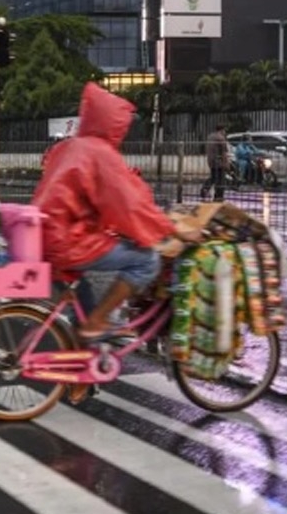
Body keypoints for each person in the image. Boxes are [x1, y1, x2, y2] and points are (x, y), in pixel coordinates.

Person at [33, 84, 202, 402]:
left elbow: (90, 195)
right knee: (145, 261)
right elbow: (128, 205)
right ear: (113, 123)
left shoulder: (72, 146)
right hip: (67, 241)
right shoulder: (100, 152)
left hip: (43, 236)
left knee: (82, 310)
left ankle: (81, 375)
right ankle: (99, 323)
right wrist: (174, 231)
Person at [201, 124, 229, 200]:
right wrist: (226, 164)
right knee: (221, 179)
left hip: (211, 161)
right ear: (222, 130)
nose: (225, 132)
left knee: (213, 177)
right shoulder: (221, 138)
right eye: (224, 131)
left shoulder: (210, 137)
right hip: (219, 162)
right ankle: (219, 195)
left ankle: (205, 188)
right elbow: (224, 152)